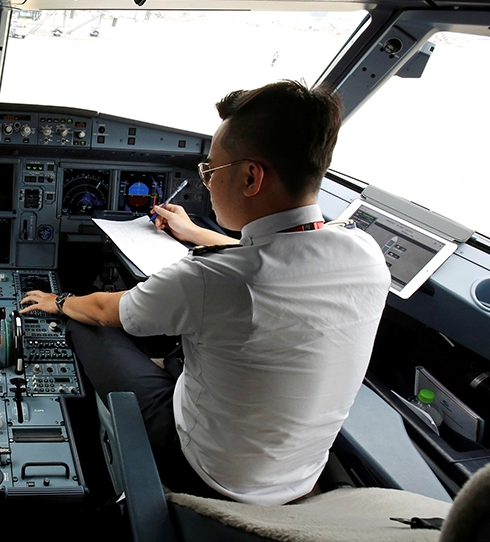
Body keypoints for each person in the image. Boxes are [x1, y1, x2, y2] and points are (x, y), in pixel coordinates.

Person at [20, 80, 390, 506]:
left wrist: (57, 301)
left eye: (210, 172)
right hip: (299, 475)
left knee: (81, 320)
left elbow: (104, 310)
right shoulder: (365, 253)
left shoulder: (209, 279)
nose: (207, 183)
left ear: (250, 177)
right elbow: (280, 255)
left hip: (204, 472)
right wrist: (195, 232)